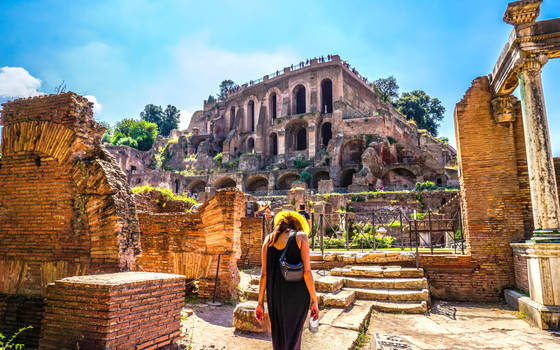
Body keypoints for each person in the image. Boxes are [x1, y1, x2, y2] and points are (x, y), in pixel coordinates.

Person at [255, 210, 319, 350]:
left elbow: (264, 274)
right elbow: (307, 272)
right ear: (298, 225)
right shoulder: (301, 237)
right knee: (294, 337)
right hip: (297, 296)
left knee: (278, 336)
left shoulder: (268, 240)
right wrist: (314, 300)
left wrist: (260, 303)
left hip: (275, 296)